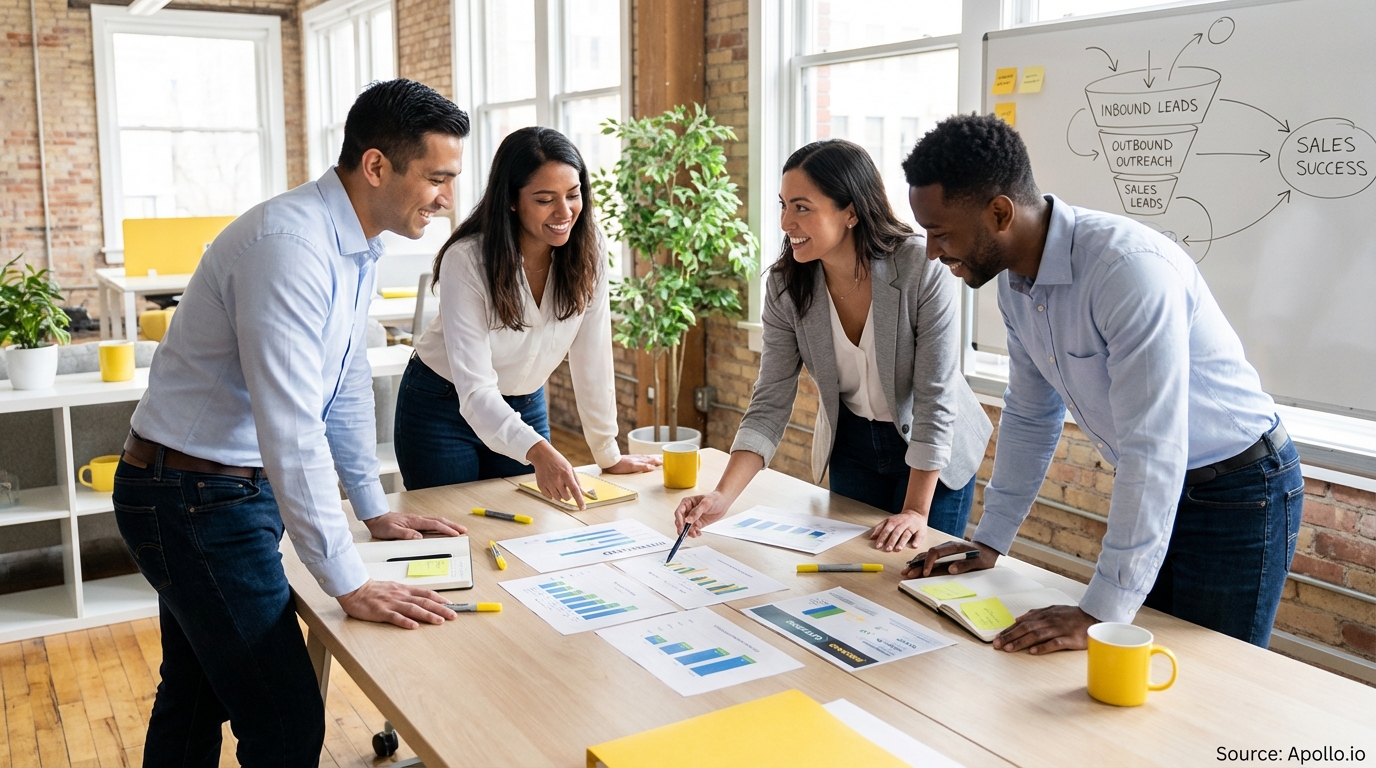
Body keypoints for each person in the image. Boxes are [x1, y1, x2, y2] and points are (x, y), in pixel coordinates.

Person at [111, 79, 471, 766]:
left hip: (217, 490)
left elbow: (342, 385)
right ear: (375, 166)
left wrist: (372, 508)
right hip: (192, 500)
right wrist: (348, 582)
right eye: (437, 178)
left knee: (194, 694)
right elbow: (292, 429)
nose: (447, 198)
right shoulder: (290, 247)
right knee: (286, 721)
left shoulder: (354, 244)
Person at [902, 113, 1302, 653]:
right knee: (1134, 681)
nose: (930, 251)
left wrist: (1099, 612)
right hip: (1166, 480)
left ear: (999, 212)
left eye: (941, 233)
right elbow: (1029, 414)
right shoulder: (1016, 285)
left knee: (1210, 682)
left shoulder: (1126, 270)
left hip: (1240, 489)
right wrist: (989, 540)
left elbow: (1151, 447)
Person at [674, 139, 992, 551]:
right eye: (783, 205)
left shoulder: (919, 267)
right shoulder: (786, 286)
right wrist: (723, 496)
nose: (786, 222)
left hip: (934, 453)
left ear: (852, 212)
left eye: (802, 207)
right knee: (851, 576)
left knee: (917, 573)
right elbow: (770, 398)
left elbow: (935, 396)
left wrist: (915, 511)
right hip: (852, 447)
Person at [395, 126, 658, 504]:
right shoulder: (467, 261)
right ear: (513, 200)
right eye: (545, 199)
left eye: (573, 194)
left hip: (523, 403)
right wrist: (536, 450)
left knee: (528, 529)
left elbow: (592, 357)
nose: (564, 212)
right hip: (442, 407)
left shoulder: (590, 250)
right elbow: (476, 390)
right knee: (453, 530)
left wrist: (607, 454)